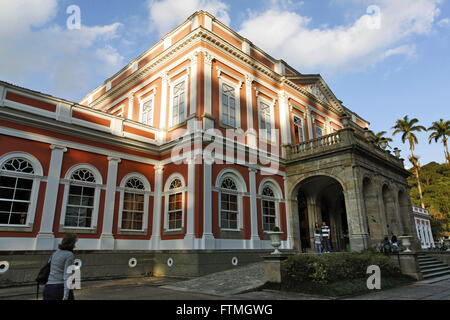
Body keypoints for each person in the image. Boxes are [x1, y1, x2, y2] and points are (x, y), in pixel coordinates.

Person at [43, 233, 78, 300]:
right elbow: (67, 275)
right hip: (59, 287)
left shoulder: (55, 253)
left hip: (48, 286)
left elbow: (49, 266)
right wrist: (66, 295)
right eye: (74, 243)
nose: (75, 246)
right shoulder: (69, 255)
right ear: (72, 243)